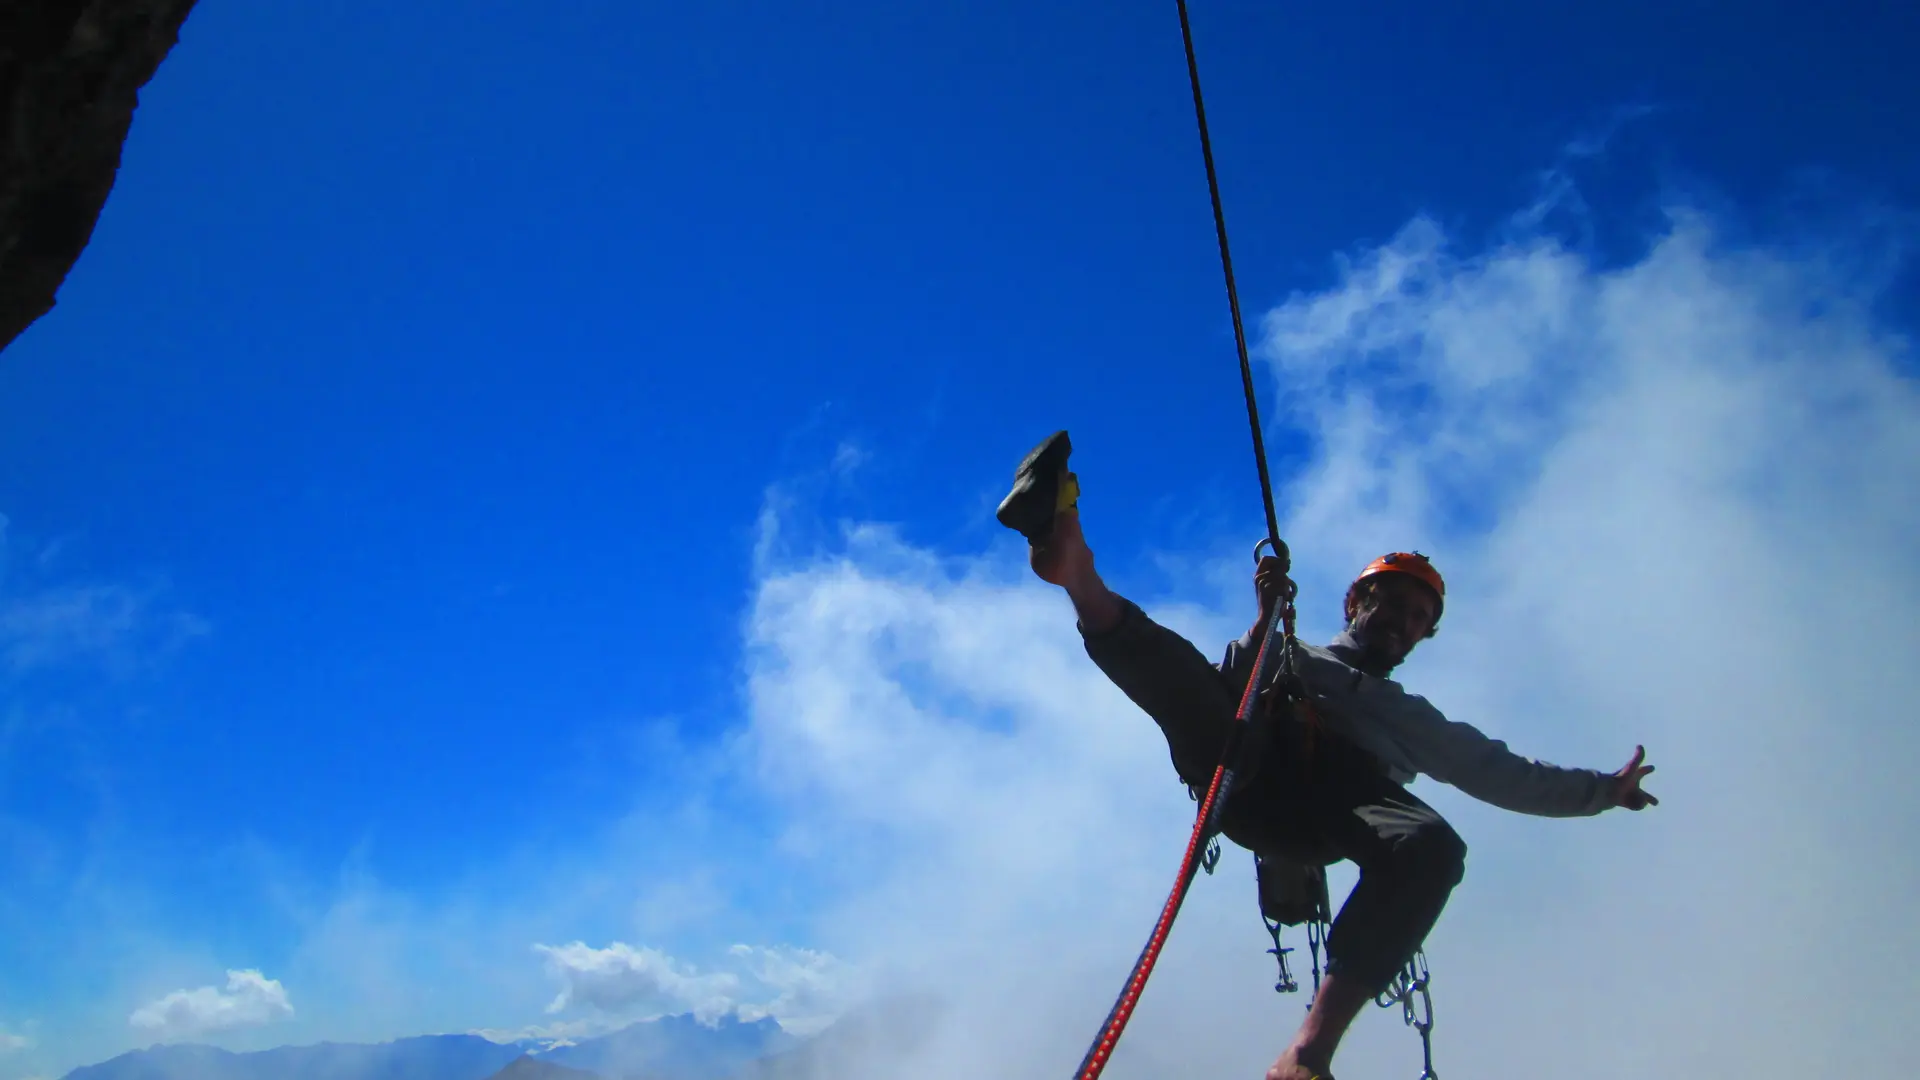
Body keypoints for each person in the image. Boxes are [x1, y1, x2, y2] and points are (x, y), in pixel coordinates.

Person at [994, 431, 1657, 1080]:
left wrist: (1605, 790)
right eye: (1390, 602)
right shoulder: (1291, 652)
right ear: (1355, 603)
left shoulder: (1410, 718)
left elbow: (1503, 774)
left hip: (1336, 808)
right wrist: (1265, 619)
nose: (1402, 619)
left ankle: (1307, 1054)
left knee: (1431, 845)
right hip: (1246, 770)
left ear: (1427, 634)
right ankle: (1074, 568)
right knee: (1208, 703)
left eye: (1418, 615)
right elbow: (1223, 687)